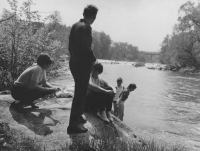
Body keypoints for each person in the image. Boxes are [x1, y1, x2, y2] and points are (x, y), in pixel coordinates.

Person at [67, 5, 98, 134]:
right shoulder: (86, 27)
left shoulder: (76, 25)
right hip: (82, 64)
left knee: (80, 90)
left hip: (74, 62)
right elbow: (86, 48)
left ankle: (78, 115)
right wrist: (93, 59)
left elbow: (71, 46)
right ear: (93, 17)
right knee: (80, 93)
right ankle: (73, 126)